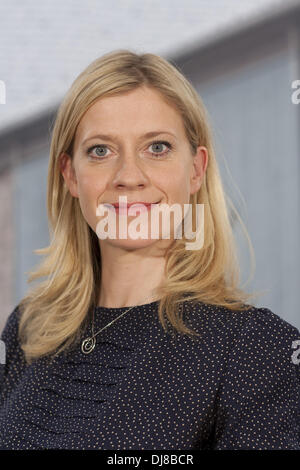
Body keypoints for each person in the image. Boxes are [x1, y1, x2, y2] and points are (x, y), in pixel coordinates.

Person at [0, 49, 299, 450]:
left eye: (156, 147)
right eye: (101, 150)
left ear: (196, 170)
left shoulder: (258, 351)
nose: (128, 176)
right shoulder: (28, 329)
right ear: (70, 175)